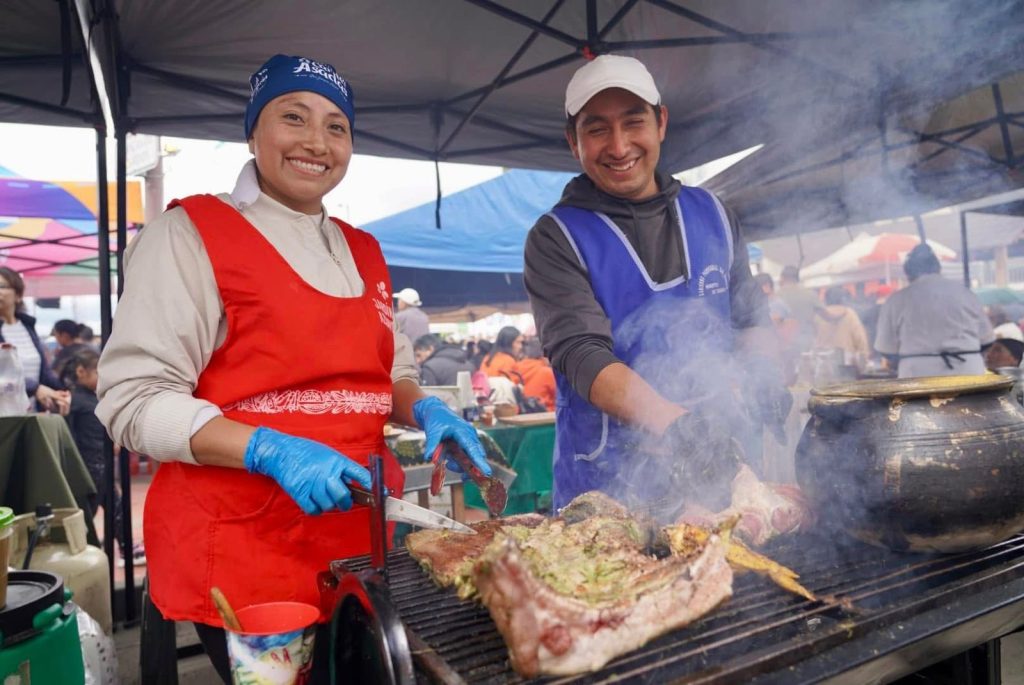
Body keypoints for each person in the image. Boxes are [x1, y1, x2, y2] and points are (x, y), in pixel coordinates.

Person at [95, 54, 490, 684]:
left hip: (357, 548)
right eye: (294, 117)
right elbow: (133, 400)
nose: (317, 142)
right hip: (245, 554)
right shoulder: (191, 233)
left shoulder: (363, 248)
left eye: (337, 127)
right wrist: (268, 449)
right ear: (253, 131)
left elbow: (389, 372)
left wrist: (426, 408)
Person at [523, 54, 787, 511]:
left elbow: (750, 320)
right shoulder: (556, 237)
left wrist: (764, 374)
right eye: (597, 129)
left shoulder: (714, 215)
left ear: (660, 122)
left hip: (723, 464)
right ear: (573, 141)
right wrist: (678, 427)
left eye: (633, 122)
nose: (619, 146)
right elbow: (581, 354)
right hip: (611, 487)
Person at [874, 244, 993, 378]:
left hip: (918, 373)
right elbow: (987, 340)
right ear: (938, 268)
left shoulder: (896, 300)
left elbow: (885, 348)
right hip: (968, 370)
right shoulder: (966, 294)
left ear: (908, 273)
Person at [0, 267, 68, 413]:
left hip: (29, 413)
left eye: (2, 286)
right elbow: (4, 376)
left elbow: (44, 371)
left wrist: (61, 392)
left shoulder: (27, 327)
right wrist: (35, 388)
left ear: (18, 295)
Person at [814, 286, 870, 370]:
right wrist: (864, 358)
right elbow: (860, 338)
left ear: (826, 300)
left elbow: (814, 340)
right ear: (843, 300)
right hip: (846, 364)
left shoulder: (819, 316)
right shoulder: (850, 314)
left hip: (823, 363)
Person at [515, 338, 556, 411]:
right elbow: (559, 398)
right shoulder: (547, 372)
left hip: (520, 413)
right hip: (545, 414)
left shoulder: (516, 368)